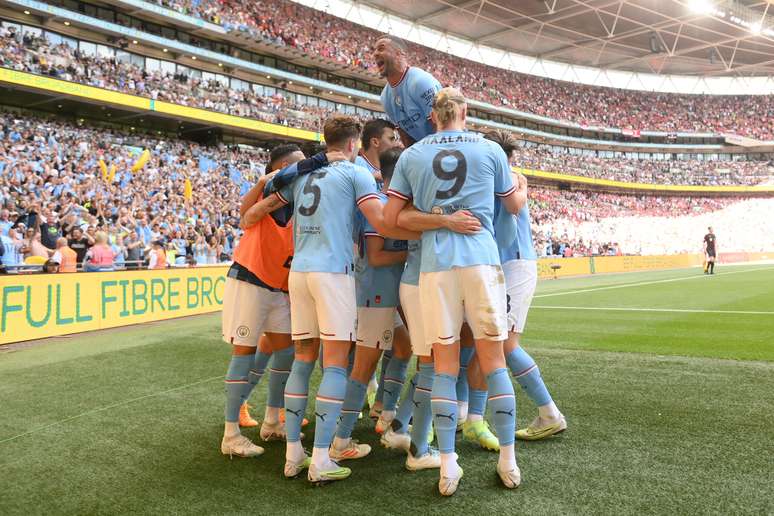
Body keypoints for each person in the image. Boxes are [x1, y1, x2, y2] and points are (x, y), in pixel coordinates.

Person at [254, 115, 417, 485]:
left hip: (300, 273)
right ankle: (324, 457)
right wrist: (431, 224)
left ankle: (295, 453)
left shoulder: (302, 173)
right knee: (336, 366)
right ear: (353, 143)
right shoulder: (355, 173)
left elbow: (270, 202)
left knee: (303, 361)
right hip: (333, 274)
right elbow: (382, 221)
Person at [384, 88, 523, 495]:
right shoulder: (490, 150)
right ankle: (508, 461)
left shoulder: (412, 155)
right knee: (493, 360)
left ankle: (447, 467)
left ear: (433, 116)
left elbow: (393, 218)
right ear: (465, 112)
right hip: (481, 260)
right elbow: (512, 204)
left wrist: (441, 220)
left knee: (443, 367)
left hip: (435, 267)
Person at [219, 143, 339, 459]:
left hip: (279, 287)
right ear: (282, 168)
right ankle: (231, 433)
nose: (306, 169)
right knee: (243, 351)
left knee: (286, 351)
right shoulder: (270, 191)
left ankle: (272, 421)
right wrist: (320, 159)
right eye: (299, 164)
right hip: (251, 278)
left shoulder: (299, 201)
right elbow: (247, 218)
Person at [484, 129, 566, 441]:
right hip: (502, 264)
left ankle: (549, 413)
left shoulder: (505, 177)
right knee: (485, 341)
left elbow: (512, 208)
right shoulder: (502, 175)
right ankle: (469, 414)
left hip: (514, 264)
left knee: (505, 344)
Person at [374, 36, 442, 147]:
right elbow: (405, 134)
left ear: (399, 53)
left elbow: (442, 126)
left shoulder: (420, 82)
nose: (375, 54)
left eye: (381, 48)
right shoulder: (385, 97)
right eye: (374, 50)